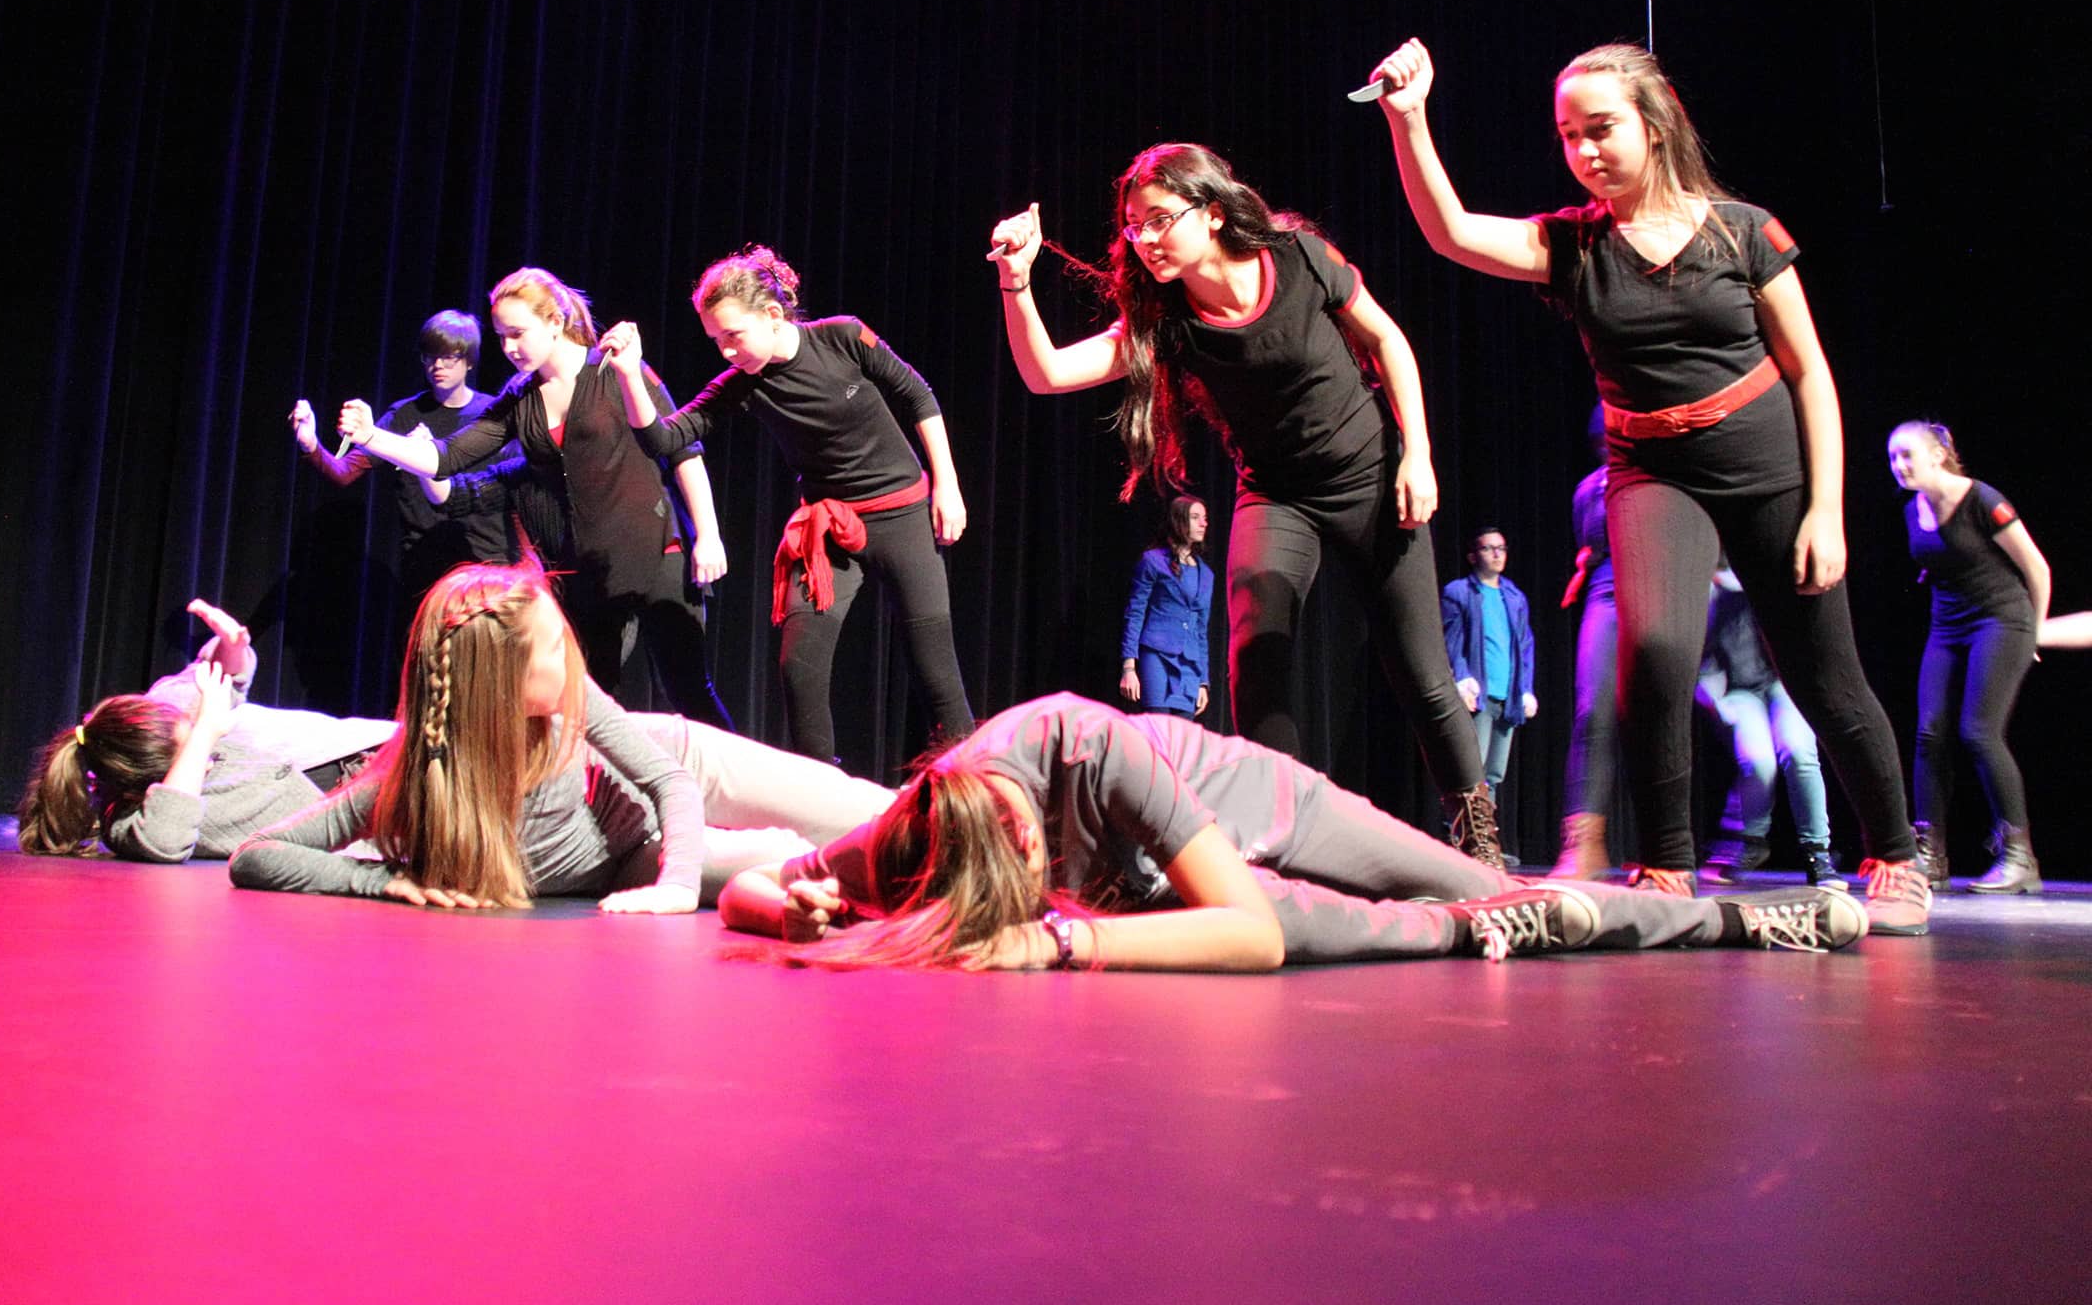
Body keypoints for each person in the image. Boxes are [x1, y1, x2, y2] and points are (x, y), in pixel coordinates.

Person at [1370, 36, 1929, 932]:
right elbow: (1452, 232)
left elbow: (1811, 374)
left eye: (1601, 130)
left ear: (1655, 124)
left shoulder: (1745, 232)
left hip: (1767, 465)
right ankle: (1667, 865)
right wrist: (1410, 120)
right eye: (1567, 137)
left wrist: (1827, 507)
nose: (1584, 152)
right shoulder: (1576, 245)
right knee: (1657, 653)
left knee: (1822, 675)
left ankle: (1896, 856)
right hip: (1650, 469)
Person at [986, 146, 1504, 872]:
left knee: (1421, 672)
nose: (1147, 239)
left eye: (1161, 220)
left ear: (1215, 212)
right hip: (1277, 494)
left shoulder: (1297, 258)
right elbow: (1047, 375)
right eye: (1135, 228)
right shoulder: (1166, 320)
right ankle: (1286, 843)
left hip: (1370, 477)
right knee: (1256, 650)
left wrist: (1416, 453)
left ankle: (1481, 844)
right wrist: (1017, 284)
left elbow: (1387, 340)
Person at [717, 694, 1865, 970]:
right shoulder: (918, 833)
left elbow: (1251, 931)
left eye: (1032, 863)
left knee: (1454, 875)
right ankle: (1495, 924)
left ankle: (1742, 915)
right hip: (1158, 883)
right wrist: (790, 903)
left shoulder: (1080, 744)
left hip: (1257, 807)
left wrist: (1058, 945)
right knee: (1431, 930)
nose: (1038, 871)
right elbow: (749, 896)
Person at [228, 562, 890, 910]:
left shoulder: (574, 695)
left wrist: (679, 884)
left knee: (874, 814)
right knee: (834, 864)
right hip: (632, 855)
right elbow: (256, 856)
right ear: (500, 685)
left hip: (679, 767)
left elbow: (670, 783)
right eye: (551, 645)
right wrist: (381, 882)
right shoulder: (410, 782)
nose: (571, 651)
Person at [595, 245, 976, 766]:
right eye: (715, 341)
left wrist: (947, 485)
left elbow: (918, 395)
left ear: (773, 316)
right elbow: (664, 440)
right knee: (800, 668)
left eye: (733, 336)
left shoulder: (842, 336)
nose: (726, 352)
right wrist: (629, 374)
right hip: (827, 531)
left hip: (900, 514)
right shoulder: (743, 384)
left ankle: (976, 802)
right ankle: (820, 799)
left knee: (935, 672)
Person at [338, 269, 734, 727]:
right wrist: (372, 437)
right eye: (502, 336)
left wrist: (708, 535)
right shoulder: (519, 396)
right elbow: (445, 458)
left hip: (656, 551)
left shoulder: (615, 370)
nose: (508, 348)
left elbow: (682, 448)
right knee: (589, 703)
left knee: (686, 687)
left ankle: (746, 790)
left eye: (518, 333)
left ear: (555, 321)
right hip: (591, 570)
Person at [16, 600, 396, 860]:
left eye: (193, 731)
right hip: (367, 817)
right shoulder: (130, 819)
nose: (208, 759)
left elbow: (221, 674)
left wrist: (231, 647)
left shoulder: (171, 703)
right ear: (141, 789)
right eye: (196, 755)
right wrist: (203, 736)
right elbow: (165, 842)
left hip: (375, 752)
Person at [1888, 421, 2052, 894]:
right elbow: (1938, 564)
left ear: (1938, 454)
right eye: (1893, 458)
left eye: (1907, 455)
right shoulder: (1911, 509)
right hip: (1948, 625)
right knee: (1928, 732)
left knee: (1979, 732)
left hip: (2002, 620)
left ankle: (2020, 858)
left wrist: (2034, 633)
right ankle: (1929, 857)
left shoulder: (1982, 500)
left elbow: (2036, 568)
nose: (1899, 466)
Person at [290, 310, 515, 602]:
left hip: (486, 566)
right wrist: (310, 443)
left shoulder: (493, 415)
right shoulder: (404, 415)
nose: (438, 365)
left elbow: (514, 488)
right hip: (426, 568)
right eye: (430, 356)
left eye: (449, 356)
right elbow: (344, 472)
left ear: (469, 360)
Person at [1695, 568, 1842, 888]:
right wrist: (1715, 702)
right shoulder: (1704, 586)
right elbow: (1694, 655)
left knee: (1799, 749)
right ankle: (1749, 841)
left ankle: (1817, 853)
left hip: (1783, 683)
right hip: (1737, 689)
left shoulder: (1770, 567)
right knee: (1759, 760)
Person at [1553, 405, 1622, 877]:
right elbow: (1591, 549)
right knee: (1591, 710)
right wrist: (1581, 571)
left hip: (1661, 585)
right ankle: (1584, 843)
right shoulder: (1588, 489)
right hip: (1608, 589)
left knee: (1655, 716)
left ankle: (1667, 851)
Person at [1441, 525, 1537, 862]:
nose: (1497, 554)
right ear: (1473, 556)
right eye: (1488, 548)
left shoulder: (1514, 597)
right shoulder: (1459, 593)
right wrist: (1461, 679)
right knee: (1472, 771)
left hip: (1505, 698)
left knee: (1493, 774)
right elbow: (1452, 640)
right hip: (1477, 696)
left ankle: (1485, 845)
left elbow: (1524, 646)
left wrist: (1525, 690)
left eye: (1502, 548)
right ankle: (1463, 844)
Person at [1120, 496, 1215, 719]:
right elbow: (1134, 614)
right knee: (1158, 730)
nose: (1204, 523)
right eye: (1195, 518)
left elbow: (1201, 631)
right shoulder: (1153, 562)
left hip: (1190, 666)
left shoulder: (1206, 575)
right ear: (1179, 521)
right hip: (1157, 656)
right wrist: (1129, 668)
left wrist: (1203, 681)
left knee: (1182, 739)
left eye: (1205, 518)